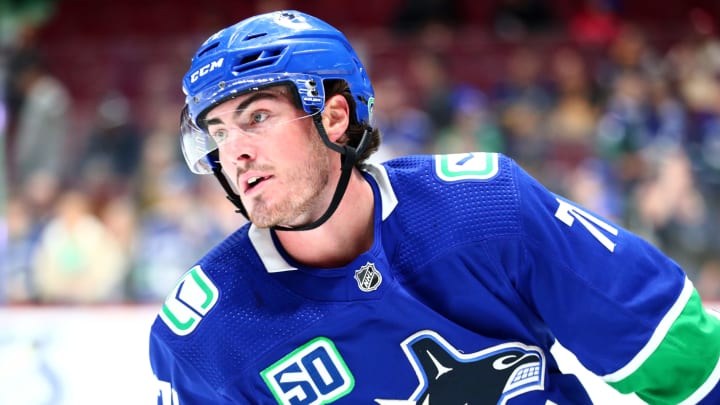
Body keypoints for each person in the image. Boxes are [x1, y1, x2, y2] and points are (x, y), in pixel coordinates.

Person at [149, 10, 720, 404]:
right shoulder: (205, 334)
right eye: (219, 132)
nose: (235, 151)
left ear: (335, 118)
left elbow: (681, 357)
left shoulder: (485, 208)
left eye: (257, 118)